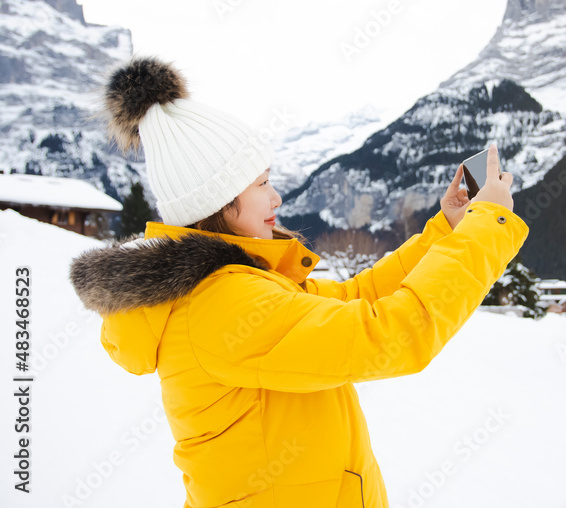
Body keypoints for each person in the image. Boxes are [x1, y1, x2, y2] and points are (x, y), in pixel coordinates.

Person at [69, 56, 528, 508]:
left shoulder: (239, 284)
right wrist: (487, 224)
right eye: (261, 183)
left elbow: (355, 297)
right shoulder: (223, 303)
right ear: (220, 199)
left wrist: (445, 231)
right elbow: (391, 333)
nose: (276, 196)